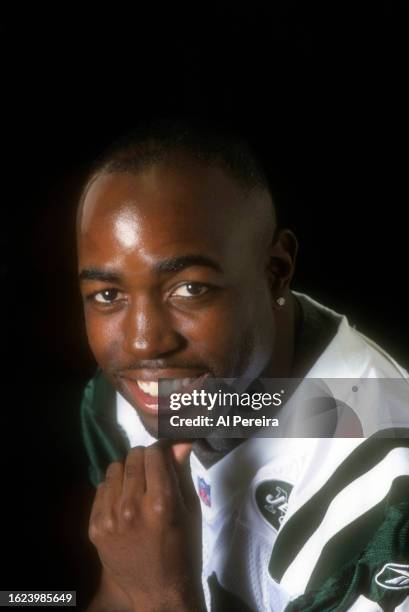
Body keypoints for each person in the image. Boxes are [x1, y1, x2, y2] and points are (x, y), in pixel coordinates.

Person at [77, 119, 409, 612]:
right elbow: (117, 594)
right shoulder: (127, 400)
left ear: (276, 272)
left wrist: (162, 597)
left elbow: (143, 594)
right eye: (108, 295)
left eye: (189, 288)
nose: (144, 342)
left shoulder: (383, 498)